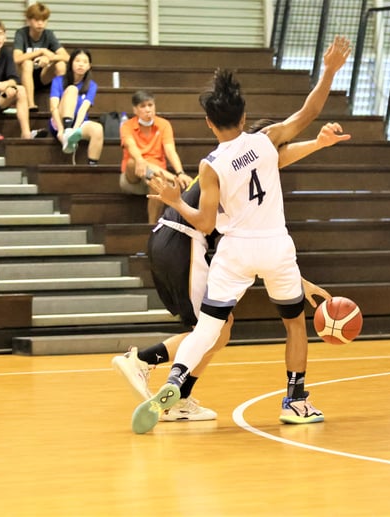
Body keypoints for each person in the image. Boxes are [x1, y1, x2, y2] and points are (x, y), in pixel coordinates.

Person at [128, 36, 352, 434]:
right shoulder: (266, 142)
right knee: (295, 324)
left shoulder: (211, 164)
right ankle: (296, 400)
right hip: (276, 247)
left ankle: (176, 380)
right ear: (245, 117)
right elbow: (310, 109)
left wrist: (175, 201)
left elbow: (206, 224)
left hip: (234, 252)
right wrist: (330, 70)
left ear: (210, 123)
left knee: (209, 328)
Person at [120, 90, 192, 224]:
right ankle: (177, 179)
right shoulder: (127, 125)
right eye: (143, 106)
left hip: (156, 174)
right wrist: (140, 160)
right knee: (132, 162)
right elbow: (130, 146)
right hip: (134, 176)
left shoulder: (164, 124)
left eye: (150, 105)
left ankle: (151, 227)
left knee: (157, 182)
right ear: (135, 110)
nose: (147, 109)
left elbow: (170, 151)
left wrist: (180, 171)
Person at [48, 49, 104, 164]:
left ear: (89, 66)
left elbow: (84, 109)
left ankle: (92, 166)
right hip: (59, 123)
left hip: (78, 125)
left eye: (85, 62)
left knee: (98, 129)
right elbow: (53, 107)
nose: (81, 64)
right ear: (71, 63)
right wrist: (61, 130)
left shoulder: (92, 85)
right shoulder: (58, 81)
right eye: (77, 61)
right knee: (72, 89)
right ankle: (67, 133)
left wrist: (75, 130)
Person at [12, 2, 68, 112]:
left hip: (43, 76)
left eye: (43, 20)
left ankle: (62, 104)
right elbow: (16, 58)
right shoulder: (21, 33)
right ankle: (30, 104)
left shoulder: (49, 34)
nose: (40, 23)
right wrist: (41, 51)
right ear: (28, 20)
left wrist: (49, 58)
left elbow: (66, 57)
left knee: (61, 65)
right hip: (24, 74)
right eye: (36, 20)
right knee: (27, 63)